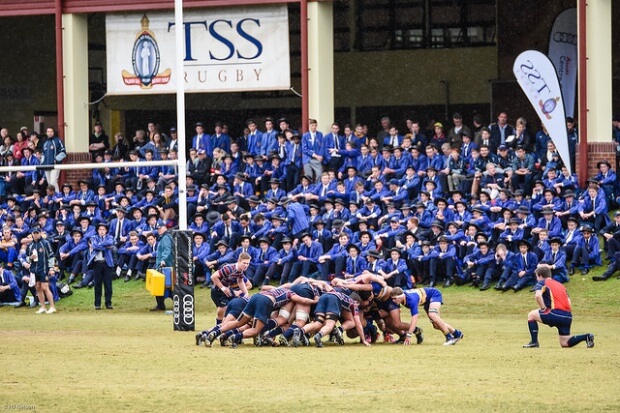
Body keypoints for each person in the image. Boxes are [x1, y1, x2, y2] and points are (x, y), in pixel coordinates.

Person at [523, 266, 594, 348]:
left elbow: (538, 296)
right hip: (567, 316)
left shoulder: (542, 283)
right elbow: (569, 301)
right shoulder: (560, 285)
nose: (537, 279)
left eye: (536, 277)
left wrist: (544, 308)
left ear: (540, 276)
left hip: (555, 313)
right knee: (565, 343)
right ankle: (587, 337)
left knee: (531, 315)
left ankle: (534, 342)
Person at [390, 287, 463, 346]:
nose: (393, 301)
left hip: (434, 294)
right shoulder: (402, 297)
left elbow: (415, 318)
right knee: (436, 326)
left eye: (394, 298)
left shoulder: (411, 300)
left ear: (401, 297)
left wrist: (409, 335)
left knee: (432, 315)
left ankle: (449, 338)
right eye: (392, 298)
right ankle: (457, 334)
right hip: (427, 301)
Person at [209, 252, 251, 325]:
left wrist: (246, 293)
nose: (246, 265)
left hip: (227, 289)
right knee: (223, 309)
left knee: (234, 306)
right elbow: (213, 277)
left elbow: (240, 281)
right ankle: (218, 327)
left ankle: (226, 326)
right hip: (217, 290)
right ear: (239, 260)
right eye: (244, 263)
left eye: (247, 263)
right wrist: (223, 288)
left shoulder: (240, 270)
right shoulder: (229, 268)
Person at [24, 226, 57, 314]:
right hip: (34, 270)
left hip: (44, 269)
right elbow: (26, 258)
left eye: (37, 233)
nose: (35, 235)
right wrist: (30, 258)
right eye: (34, 233)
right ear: (32, 234)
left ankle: (52, 307)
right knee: (38, 288)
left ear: (40, 233)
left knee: (45, 287)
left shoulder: (45, 243)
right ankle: (43, 307)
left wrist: (51, 268)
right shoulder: (30, 245)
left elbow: (51, 256)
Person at [88, 222, 115, 310]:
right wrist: (105, 246)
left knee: (108, 284)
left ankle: (108, 303)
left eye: (103, 229)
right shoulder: (94, 237)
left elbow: (110, 243)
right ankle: (97, 304)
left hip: (107, 263)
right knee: (97, 284)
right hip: (97, 263)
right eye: (100, 229)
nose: (102, 231)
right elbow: (95, 245)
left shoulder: (110, 237)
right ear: (97, 230)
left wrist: (100, 245)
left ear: (106, 230)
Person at [151, 223, 174, 311]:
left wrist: (163, 260)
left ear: (165, 228)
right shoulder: (166, 237)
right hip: (166, 265)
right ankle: (176, 304)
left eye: (160, 228)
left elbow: (167, 249)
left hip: (165, 266)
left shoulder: (165, 238)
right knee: (168, 286)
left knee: (161, 286)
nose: (158, 230)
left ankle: (161, 305)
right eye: (157, 229)